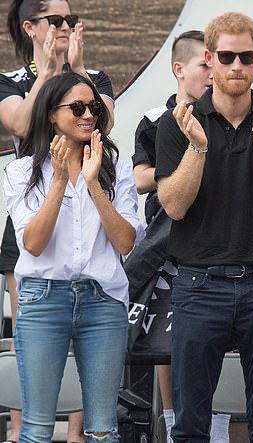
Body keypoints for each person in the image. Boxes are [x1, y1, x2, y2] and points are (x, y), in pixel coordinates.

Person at [155, 11, 253, 443]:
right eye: (227, 56)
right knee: (188, 427)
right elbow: (175, 207)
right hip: (199, 285)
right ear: (210, 58)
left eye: (246, 56)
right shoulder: (178, 123)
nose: (236, 66)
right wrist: (198, 148)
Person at [3, 71, 143, 443]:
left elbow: (126, 242)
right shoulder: (20, 172)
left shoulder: (118, 172)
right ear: (51, 114)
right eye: (77, 107)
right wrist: (61, 179)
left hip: (103, 301)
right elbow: (32, 243)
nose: (88, 115)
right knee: (36, 428)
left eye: (94, 107)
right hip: (43, 298)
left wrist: (94, 182)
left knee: (102, 429)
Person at [0, 1, 114, 442]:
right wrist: (47, 74)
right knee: (36, 344)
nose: (66, 27)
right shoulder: (11, 81)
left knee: (89, 347)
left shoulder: (93, 78)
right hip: (36, 210)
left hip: (87, 203)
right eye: (56, 20)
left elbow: (103, 120)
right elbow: (25, 125)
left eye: (71, 20)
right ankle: (22, 433)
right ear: (30, 27)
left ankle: (78, 435)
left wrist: (78, 71)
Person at [131, 30, 230, 443]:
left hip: (222, 241)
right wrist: (183, 165)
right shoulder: (156, 118)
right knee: (173, 338)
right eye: (205, 64)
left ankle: (221, 426)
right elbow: (139, 179)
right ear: (179, 69)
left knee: (223, 335)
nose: (214, 71)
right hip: (170, 245)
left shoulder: (229, 113)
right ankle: (174, 425)